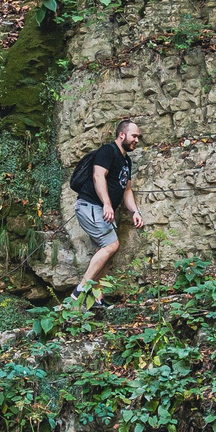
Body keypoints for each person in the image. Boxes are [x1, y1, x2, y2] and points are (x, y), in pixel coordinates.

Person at [67, 119, 145, 299]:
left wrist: (135, 211)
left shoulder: (126, 161)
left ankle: (96, 298)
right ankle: (81, 290)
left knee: (107, 255)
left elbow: (127, 190)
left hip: (99, 209)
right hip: (90, 205)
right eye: (134, 136)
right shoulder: (108, 151)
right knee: (111, 245)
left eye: (138, 137)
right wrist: (107, 204)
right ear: (122, 134)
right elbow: (98, 176)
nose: (137, 140)